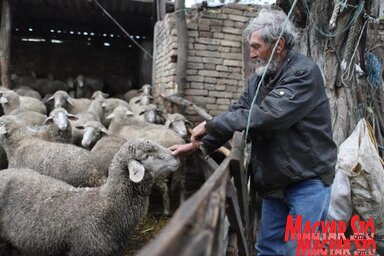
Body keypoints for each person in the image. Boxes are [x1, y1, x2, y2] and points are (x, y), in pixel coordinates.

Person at [169, 7, 337, 256]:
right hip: (272, 179)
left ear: (278, 45)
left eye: (257, 46)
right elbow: (239, 110)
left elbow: (269, 116)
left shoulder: (303, 73)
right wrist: (199, 145)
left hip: (306, 179)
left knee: (302, 250)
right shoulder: (260, 79)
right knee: (267, 248)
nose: (252, 53)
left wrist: (213, 123)